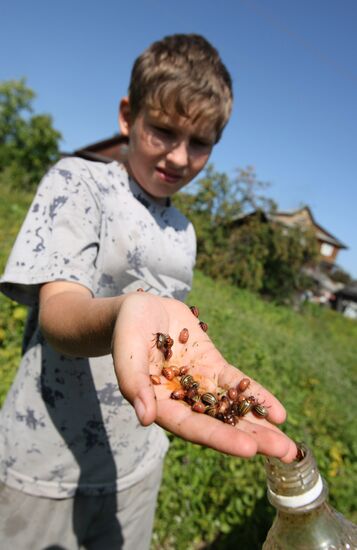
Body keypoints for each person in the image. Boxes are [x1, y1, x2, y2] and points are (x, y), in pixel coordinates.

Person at [0, 34, 297, 549]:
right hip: (44, 462)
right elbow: (59, 312)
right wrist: (126, 314)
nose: (179, 157)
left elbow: (178, 349)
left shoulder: (185, 231)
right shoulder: (80, 182)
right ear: (127, 116)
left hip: (137, 462)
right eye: (162, 131)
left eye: (200, 143)